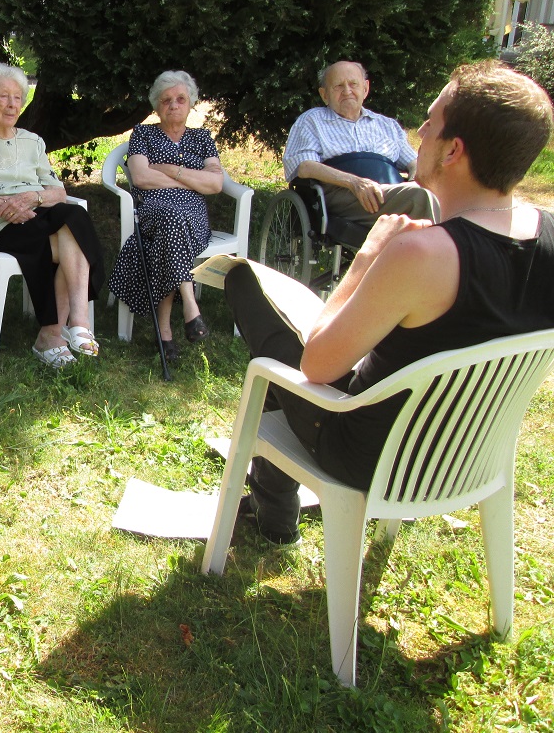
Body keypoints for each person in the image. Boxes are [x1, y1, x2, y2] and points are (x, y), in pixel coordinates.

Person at [228, 60, 554, 545]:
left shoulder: (423, 253)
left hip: (378, 454)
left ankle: (271, 508)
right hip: (467, 453)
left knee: (247, 289)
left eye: (431, 121)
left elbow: (317, 366)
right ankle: (271, 505)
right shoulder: (547, 232)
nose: (419, 130)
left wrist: (367, 258)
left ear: (453, 151)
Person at [0, 61, 105, 368]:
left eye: (18, 97)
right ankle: (58, 333)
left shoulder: (33, 141)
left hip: (38, 213)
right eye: (4, 96)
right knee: (74, 239)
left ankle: (71, 325)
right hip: (2, 225)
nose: (13, 104)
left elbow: (58, 192)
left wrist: (31, 197)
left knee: (73, 217)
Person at [107, 71, 224, 359]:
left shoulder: (202, 138)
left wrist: (171, 170)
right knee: (170, 220)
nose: (173, 105)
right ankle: (190, 305)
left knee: (173, 230)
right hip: (152, 211)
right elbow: (142, 178)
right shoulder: (143, 134)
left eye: (180, 99)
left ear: (191, 103)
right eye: (166, 100)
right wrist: (193, 180)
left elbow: (217, 183)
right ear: (157, 106)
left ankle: (164, 330)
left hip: (192, 216)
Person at [282, 60, 438, 226]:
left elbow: (414, 162)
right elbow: (304, 167)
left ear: (365, 88)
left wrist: (415, 179)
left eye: (353, 84)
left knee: (432, 191)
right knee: (421, 196)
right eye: (338, 86)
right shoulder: (312, 120)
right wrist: (355, 183)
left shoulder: (387, 125)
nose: (347, 91)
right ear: (324, 94)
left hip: (390, 192)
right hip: (343, 195)